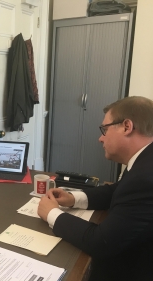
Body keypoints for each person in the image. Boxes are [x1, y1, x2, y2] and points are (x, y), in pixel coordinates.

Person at [38, 96, 153, 281]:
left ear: (126, 126)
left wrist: (52, 213)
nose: (100, 138)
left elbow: (101, 242)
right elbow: (117, 191)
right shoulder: (145, 160)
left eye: (104, 130)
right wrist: (73, 198)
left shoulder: (145, 178)